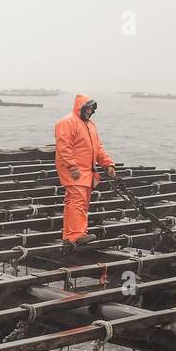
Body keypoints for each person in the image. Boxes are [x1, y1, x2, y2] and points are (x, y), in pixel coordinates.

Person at [54, 94, 117, 246]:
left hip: (87, 171)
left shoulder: (90, 125)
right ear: (81, 107)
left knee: (77, 202)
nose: (89, 111)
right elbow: (64, 147)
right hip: (74, 170)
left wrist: (108, 164)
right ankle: (76, 235)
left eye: (91, 109)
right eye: (87, 108)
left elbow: (98, 148)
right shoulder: (67, 122)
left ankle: (70, 235)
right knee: (78, 202)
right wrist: (72, 167)